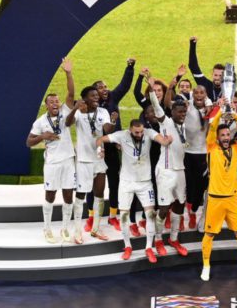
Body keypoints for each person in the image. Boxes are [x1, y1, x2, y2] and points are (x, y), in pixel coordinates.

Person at [95, 119, 172, 261]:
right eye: (137, 132)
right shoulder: (121, 135)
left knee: (150, 215)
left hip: (145, 182)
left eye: (141, 131)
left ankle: (148, 248)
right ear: (130, 130)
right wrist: (100, 149)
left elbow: (162, 140)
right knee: (124, 216)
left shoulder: (148, 133)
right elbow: (100, 139)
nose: (140, 134)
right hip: (126, 182)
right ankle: (127, 246)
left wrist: (166, 141)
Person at [200, 106, 237, 281]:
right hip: (215, 199)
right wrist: (220, 112)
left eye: (227, 135)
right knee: (209, 234)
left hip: (232, 199)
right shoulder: (211, 147)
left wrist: (235, 115)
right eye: (223, 135)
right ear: (217, 137)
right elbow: (212, 127)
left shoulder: (236, 148)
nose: (226, 137)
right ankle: (206, 266)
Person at [26, 58, 76, 244]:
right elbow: (28, 142)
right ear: (46, 105)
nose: (55, 103)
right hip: (52, 163)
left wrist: (68, 73)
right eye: (51, 102)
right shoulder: (40, 122)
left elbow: (71, 93)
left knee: (68, 195)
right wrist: (42, 136)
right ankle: (47, 228)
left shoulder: (65, 111)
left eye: (57, 101)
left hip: (68, 161)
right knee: (50, 195)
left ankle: (65, 228)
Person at [85, 58, 136, 233]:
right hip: (96, 150)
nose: (105, 89)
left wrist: (130, 67)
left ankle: (113, 216)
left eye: (106, 87)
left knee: (114, 183)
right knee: (93, 184)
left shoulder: (113, 97)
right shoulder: (88, 106)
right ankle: (91, 217)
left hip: (112, 148)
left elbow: (124, 85)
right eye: (101, 87)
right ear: (94, 92)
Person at [65, 86, 117, 243]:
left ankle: (95, 229)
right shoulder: (79, 113)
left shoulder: (103, 112)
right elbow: (67, 123)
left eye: (97, 95)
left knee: (99, 195)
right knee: (80, 196)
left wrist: (113, 121)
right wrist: (75, 108)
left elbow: (107, 129)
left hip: (99, 159)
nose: (97, 97)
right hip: (83, 161)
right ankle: (77, 231)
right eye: (93, 95)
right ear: (85, 99)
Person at [146, 74, 189, 257]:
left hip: (180, 171)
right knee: (164, 208)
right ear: (172, 112)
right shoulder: (166, 122)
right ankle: (158, 239)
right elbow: (157, 106)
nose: (182, 115)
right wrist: (151, 89)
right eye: (180, 112)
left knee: (180, 204)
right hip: (165, 171)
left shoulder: (183, 126)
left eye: (184, 112)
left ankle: (173, 238)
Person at [184, 85, 212, 229]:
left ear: (206, 94)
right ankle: (191, 213)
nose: (199, 95)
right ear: (192, 94)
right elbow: (169, 103)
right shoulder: (187, 105)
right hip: (188, 153)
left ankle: (194, 209)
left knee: (201, 187)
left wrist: (210, 106)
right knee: (189, 185)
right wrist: (171, 86)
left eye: (202, 92)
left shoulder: (210, 107)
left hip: (203, 154)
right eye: (196, 93)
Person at [188, 36, 225, 102]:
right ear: (212, 74)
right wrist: (192, 45)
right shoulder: (205, 83)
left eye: (220, 75)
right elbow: (193, 66)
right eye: (215, 75)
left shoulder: (228, 89)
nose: (217, 78)